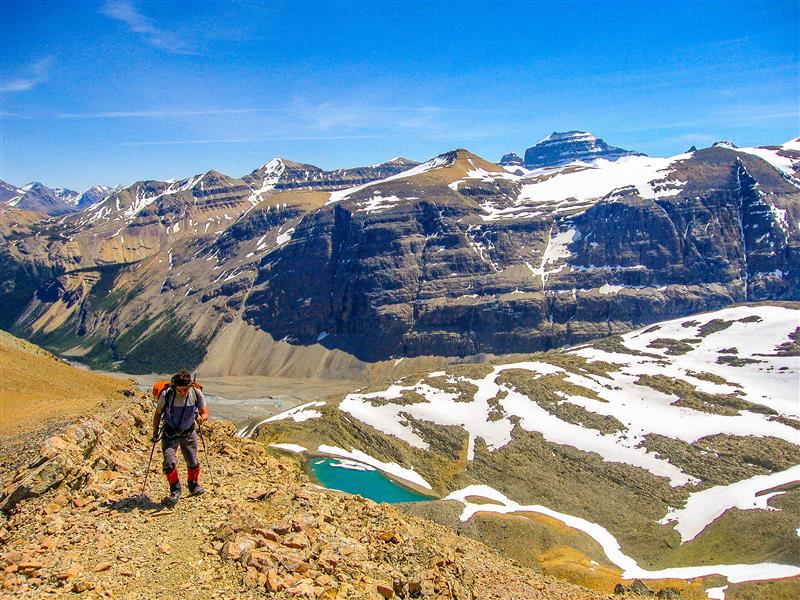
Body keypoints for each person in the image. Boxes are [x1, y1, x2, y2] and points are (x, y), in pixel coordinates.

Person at [151, 369, 209, 506]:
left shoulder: (196, 393)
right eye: (179, 390)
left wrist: (202, 419)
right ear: (174, 387)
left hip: (188, 432)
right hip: (169, 433)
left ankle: (193, 485)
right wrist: (155, 432)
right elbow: (158, 413)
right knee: (169, 462)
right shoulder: (166, 394)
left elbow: (205, 413)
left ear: (190, 387)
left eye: (185, 390)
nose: (182, 393)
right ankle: (175, 489)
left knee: (193, 461)